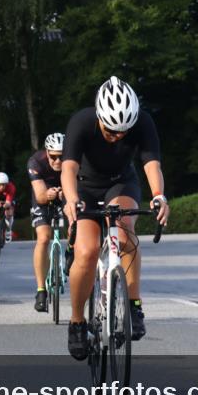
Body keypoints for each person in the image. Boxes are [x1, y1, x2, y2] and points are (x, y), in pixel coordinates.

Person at [61, 76, 170, 360]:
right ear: (99, 117)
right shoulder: (81, 122)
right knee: (86, 251)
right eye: (111, 130)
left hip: (121, 183)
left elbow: (151, 163)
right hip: (84, 185)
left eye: (123, 132)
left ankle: (133, 305)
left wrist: (159, 194)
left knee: (124, 233)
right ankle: (76, 322)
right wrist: (71, 198)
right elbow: (68, 168)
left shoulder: (143, 122)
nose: (117, 136)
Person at [28, 133, 66, 312]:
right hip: (43, 197)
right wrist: (49, 194)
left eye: (62, 156)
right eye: (54, 157)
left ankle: (71, 254)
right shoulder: (36, 162)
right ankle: (41, 290)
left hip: (67, 196)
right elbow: (40, 196)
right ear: (46, 153)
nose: (58, 161)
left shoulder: (74, 159)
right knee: (43, 238)